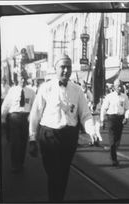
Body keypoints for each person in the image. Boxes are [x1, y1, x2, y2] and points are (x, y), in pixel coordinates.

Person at [28, 54, 98, 202]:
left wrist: (92, 131)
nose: (66, 70)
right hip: (49, 136)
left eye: (69, 67)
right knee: (54, 173)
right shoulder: (45, 88)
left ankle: (56, 200)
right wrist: (32, 138)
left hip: (69, 137)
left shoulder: (77, 90)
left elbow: (85, 114)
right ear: (55, 69)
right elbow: (35, 114)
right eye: (63, 67)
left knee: (63, 172)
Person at [1, 70, 36, 173]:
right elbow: (6, 105)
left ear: (27, 79)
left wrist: (33, 117)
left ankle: (20, 163)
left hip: (26, 119)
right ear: (17, 79)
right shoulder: (12, 90)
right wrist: (2, 118)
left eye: (24, 78)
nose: (23, 80)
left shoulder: (31, 92)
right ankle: (14, 164)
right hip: (14, 118)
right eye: (21, 78)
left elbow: (34, 106)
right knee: (15, 142)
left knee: (23, 142)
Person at [100, 79, 129, 167]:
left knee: (117, 140)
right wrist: (102, 120)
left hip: (120, 119)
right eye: (118, 86)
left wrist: (126, 117)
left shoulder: (124, 96)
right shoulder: (109, 96)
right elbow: (103, 108)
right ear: (114, 87)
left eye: (121, 86)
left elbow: (128, 108)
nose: (120, 87)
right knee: (112, 139)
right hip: (111, 118)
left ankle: (113, 153)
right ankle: (114, 159)